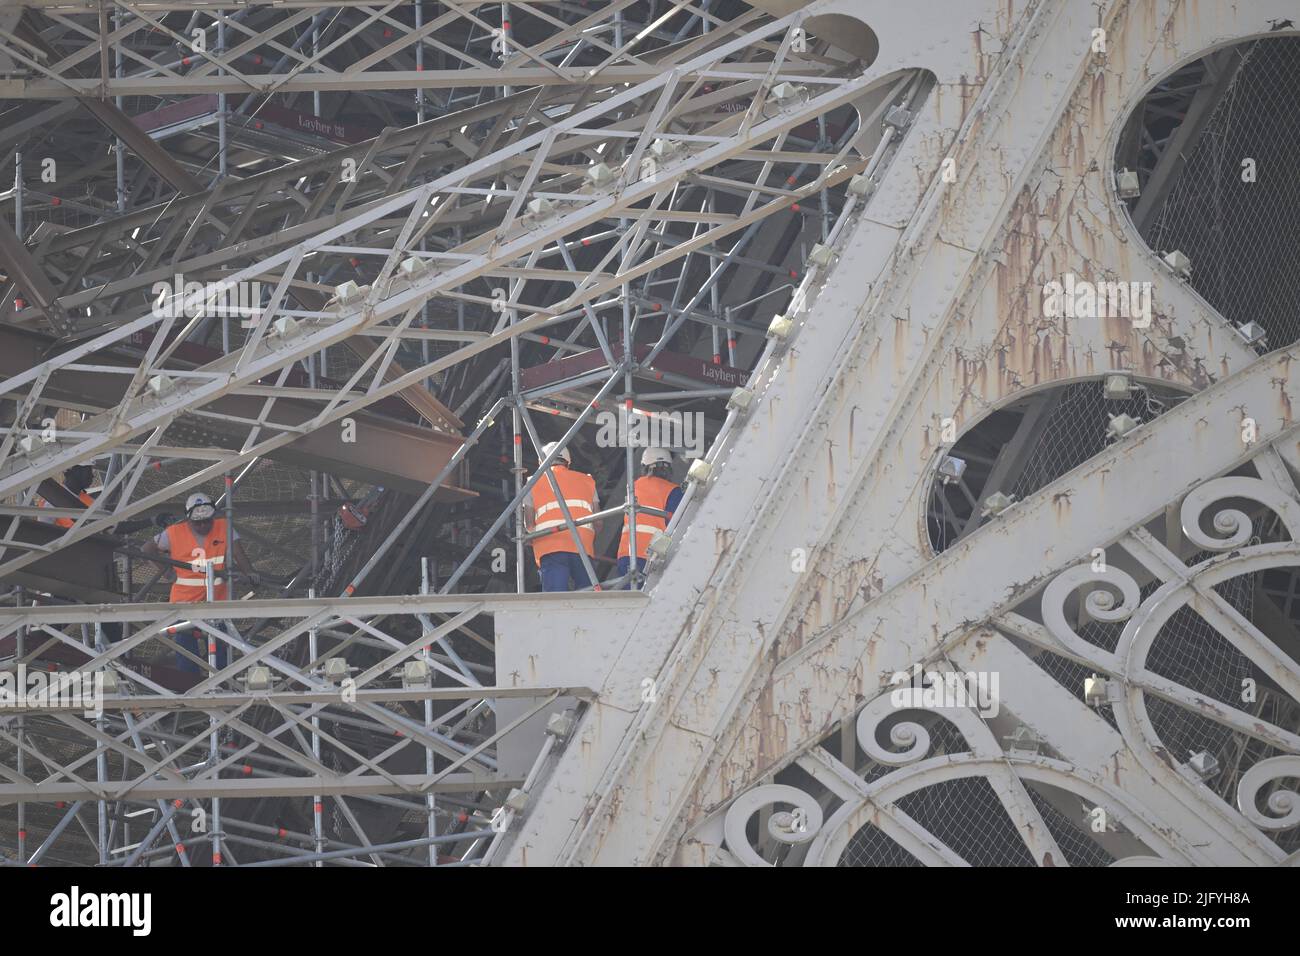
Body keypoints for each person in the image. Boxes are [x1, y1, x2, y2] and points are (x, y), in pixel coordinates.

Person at [141, 492, 259, 672]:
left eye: (207, 521)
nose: (203, 525)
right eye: (198, 522)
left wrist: (250, 572)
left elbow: (238, 553)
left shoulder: (224, 527)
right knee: (187, 651)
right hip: (184, 603)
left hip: (217, 603)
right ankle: (190, 688)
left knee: (221, 652)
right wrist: (167, 573)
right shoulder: (174, 532)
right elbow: (147, 548)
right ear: (188, 519)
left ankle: (221, 687)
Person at [524, 442, 600, 592]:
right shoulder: (587, 480)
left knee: (555, 598)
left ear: (541, 461)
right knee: (588, 596)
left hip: (550, 545)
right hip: (582, 545)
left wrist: (533, 538)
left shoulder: (533, 482)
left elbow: (529, 524)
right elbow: (598, 523)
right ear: (568, 462)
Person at [618, 448, 682, 588]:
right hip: (652, 557)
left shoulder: (633, 487)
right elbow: (679, 523)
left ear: (645, 467)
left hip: (627, 553)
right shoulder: (673, 491)